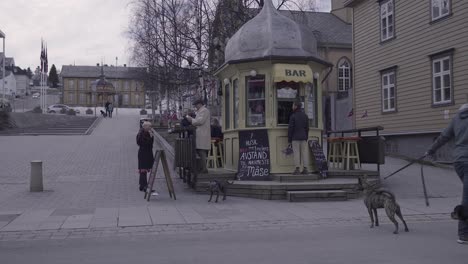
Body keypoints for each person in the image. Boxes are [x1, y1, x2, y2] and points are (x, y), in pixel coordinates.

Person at [426, 102, 468, 244]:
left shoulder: (457, 118)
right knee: (467, 198)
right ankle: (463, 234)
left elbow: (444, 136)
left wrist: (431, 150)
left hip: (459, 161)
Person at [186, 98, 211, 173]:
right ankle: (202, 167)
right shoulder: (200, 111)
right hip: (200, 133)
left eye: (196, 105)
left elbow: (200, 121)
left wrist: (191, 119)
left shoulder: (205, 110)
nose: (195, 107)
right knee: (199, 150)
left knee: (201, 150)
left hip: (202, 133)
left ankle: (204, 168)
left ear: (200, 104)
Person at [288, 100, 309, 175]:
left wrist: (289, 139)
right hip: (303, 137)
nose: (292, 106)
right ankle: (305, 169)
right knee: (304, 153)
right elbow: (307, 128)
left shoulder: (293, 116)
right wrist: (306, 137)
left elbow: (290, 128)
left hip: (295, 138)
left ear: (296, 106)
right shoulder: (305, 116)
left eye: (293, 105)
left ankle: (297, 169)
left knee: (296, 153)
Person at [136, 121, 155, 192]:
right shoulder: (141, 134)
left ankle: (142, 185)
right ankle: (144, 186)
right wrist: (150, 137)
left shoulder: (145, 133)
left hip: (147, 153)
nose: (150, 128)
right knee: (143, 170)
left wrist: (151, 137)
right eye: (149, 126)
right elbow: (143, 143)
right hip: (144, 153)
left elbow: (150, 143)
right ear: (145, 127)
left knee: (144, 169)